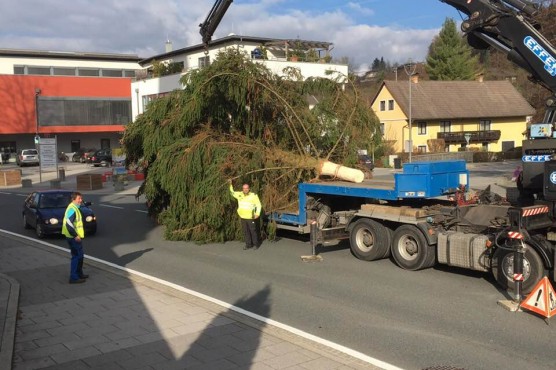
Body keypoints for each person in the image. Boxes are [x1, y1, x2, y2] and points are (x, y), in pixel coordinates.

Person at [62, 191, 89, 283]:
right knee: (76, 256)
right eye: (79, 199)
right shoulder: (72, 209)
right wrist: (75, 235)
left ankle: (79, 273)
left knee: (80, 256)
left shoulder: (75, 207)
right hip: (73, 237)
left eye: (81, 198)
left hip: (74, 236)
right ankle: (73, 277)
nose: (81, 200)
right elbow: (69, 223)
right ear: (73, 199)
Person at [229, 180, 262, 250]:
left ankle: (256, 244)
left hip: (250, 217)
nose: (245, 189)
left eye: (246, 188)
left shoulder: (253, 195)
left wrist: (257, 213)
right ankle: (248, 244)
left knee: (253, 231)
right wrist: (230, 185)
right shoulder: (239, 194)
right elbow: (232, 193)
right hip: (243, 217)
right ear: (242, 189)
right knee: (246, 231)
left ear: (249, 189)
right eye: (244, 188)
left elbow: (258, 205)